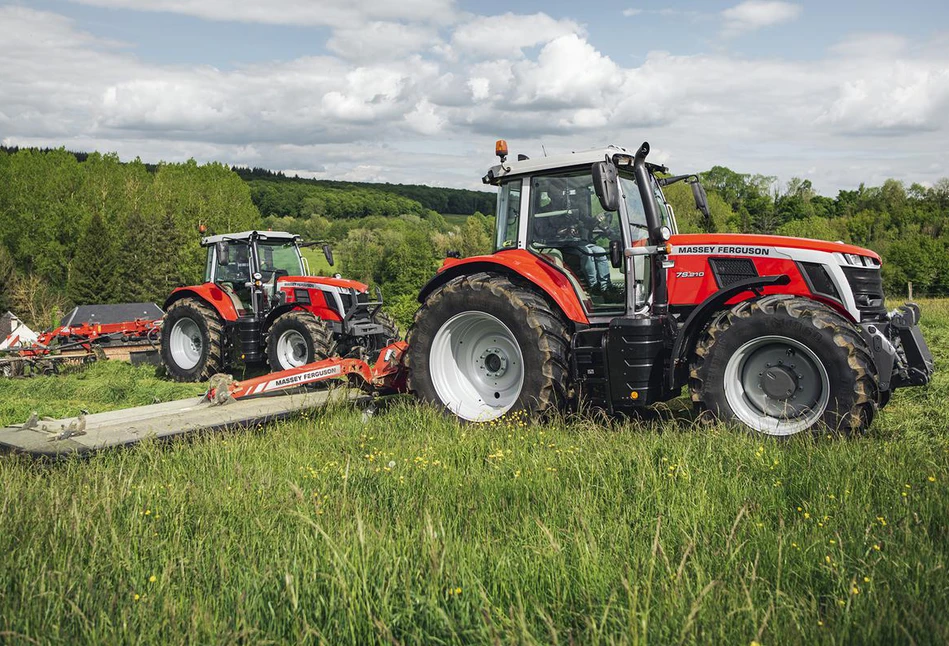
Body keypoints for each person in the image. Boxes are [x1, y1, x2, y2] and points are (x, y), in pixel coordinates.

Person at [533, 190, 611, 292]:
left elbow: (588, 223)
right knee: (587, 252)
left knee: (600, 250)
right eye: (557, 194)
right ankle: (593, 285)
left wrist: (597, 219)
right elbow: (542, 231)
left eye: (561, 194)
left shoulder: (573, 210)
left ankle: (605, 287)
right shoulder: (544, 212)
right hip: (557, 243)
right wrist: (561, 231)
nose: (560, 197)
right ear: (550, 195)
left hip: (575, 242)